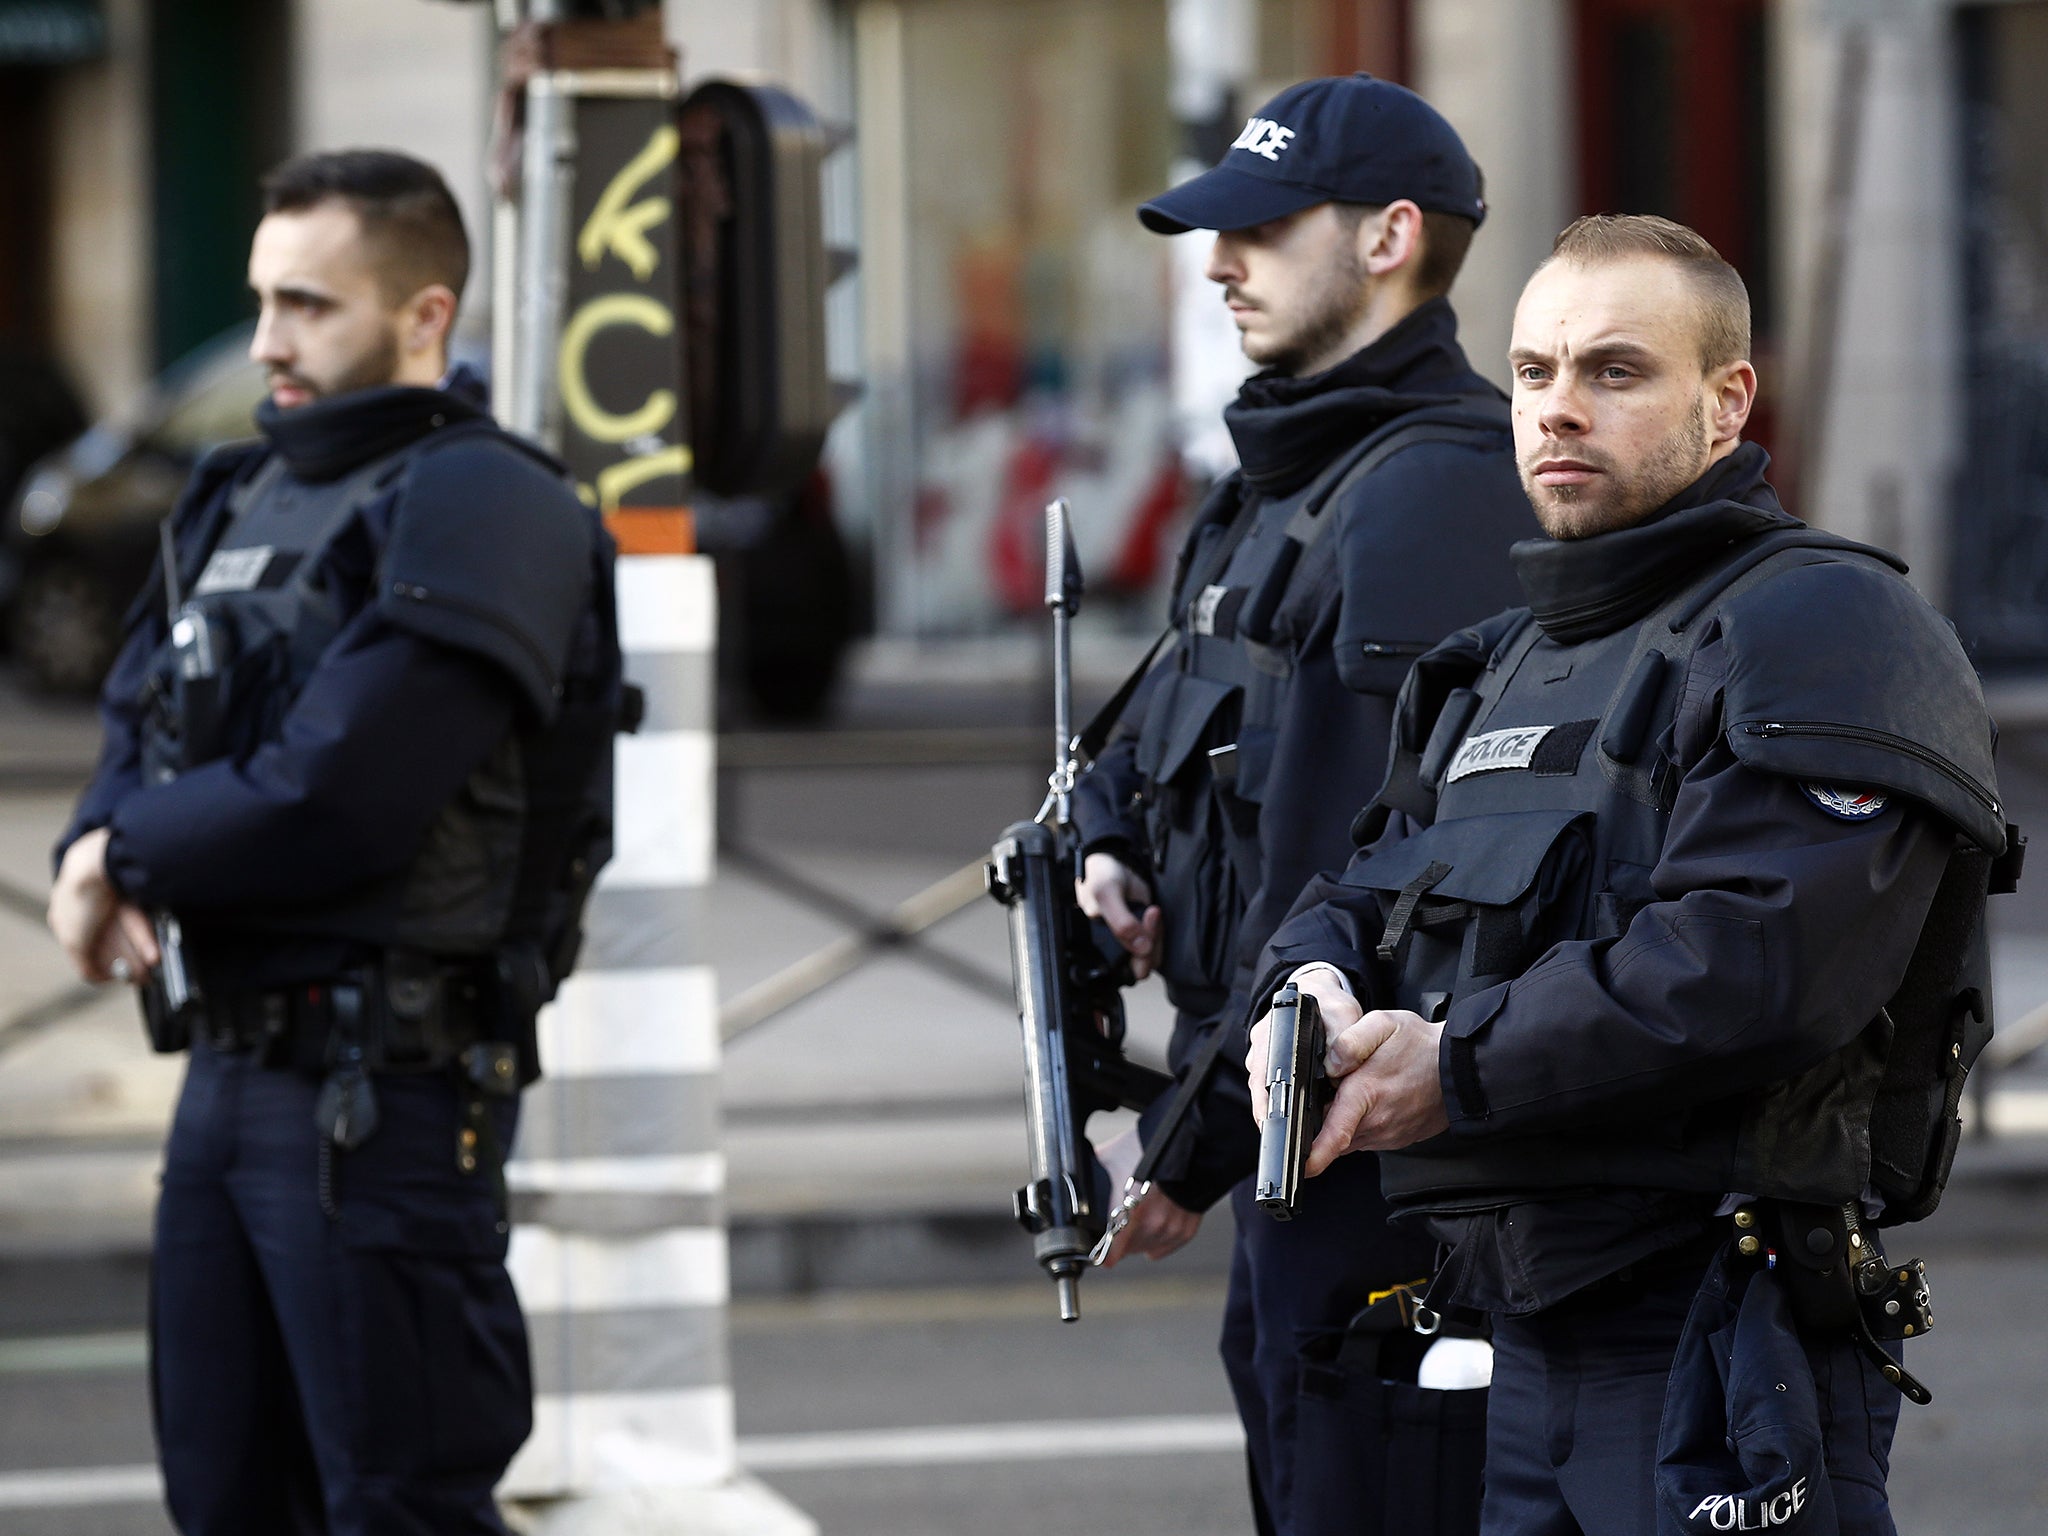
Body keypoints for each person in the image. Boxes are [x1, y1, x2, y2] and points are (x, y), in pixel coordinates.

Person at [1247, 214, 2014, 1535]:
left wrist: (1457, 1066)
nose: (1557, 410)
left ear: (1727, 403)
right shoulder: (1504, 659)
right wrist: (1311, 987)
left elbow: (1746, 965)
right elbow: (1365, 892)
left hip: (1713, 1327)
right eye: (1535, 372)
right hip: (1518, 1329)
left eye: (1614, 371)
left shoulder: (1827, 628)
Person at [46, 150, 621, 1535]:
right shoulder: (234, 494)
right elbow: (139, 716)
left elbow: (342, 793)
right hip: (230, 1073)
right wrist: (92, 839)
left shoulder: (488, 505)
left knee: (399, 1503)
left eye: (307, 305)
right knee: (228, 1495)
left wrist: (120, 860)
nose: (266, 343)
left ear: (426, 315)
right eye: (262, 300)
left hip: (386, 1091)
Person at [1069, 73, 1533, 1535]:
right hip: (1275, 1138)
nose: (1219, 265)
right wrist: (1106, 855)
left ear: (1391, 236)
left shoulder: (1432, 492)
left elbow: (1354, 871)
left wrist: (1187, 1146)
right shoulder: (1278, 479)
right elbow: (1154, 741)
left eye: (1261, 231)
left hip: (1354, 1164)